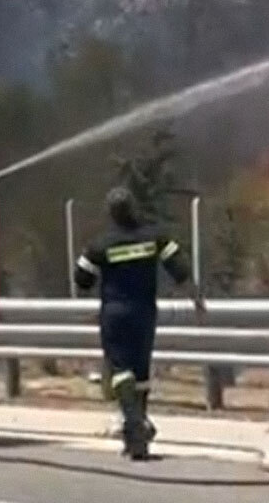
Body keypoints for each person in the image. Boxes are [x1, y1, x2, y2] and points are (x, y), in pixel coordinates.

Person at [73, 187, 206, 460]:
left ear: (110, 213)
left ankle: (134, 423)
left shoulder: (100, 245)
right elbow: (180, 270)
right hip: (144, 312)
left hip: (114, 312)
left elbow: (81, 279)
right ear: (134, 208)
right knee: (141, 373)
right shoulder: (154, 238)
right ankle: (138, 435)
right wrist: (197, 300)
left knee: (120, 369)